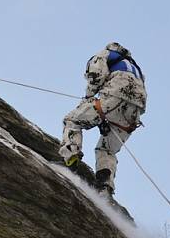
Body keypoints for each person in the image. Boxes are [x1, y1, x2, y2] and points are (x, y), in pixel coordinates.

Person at [60, 42, 147, 196]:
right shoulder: (136, 68)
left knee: (72, 121)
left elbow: (96, 75)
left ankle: (71, 158)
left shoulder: (106, 54)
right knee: (107, 149)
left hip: (115, 95)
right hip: (135, 111)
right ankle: (105, 186)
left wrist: (88, 97)